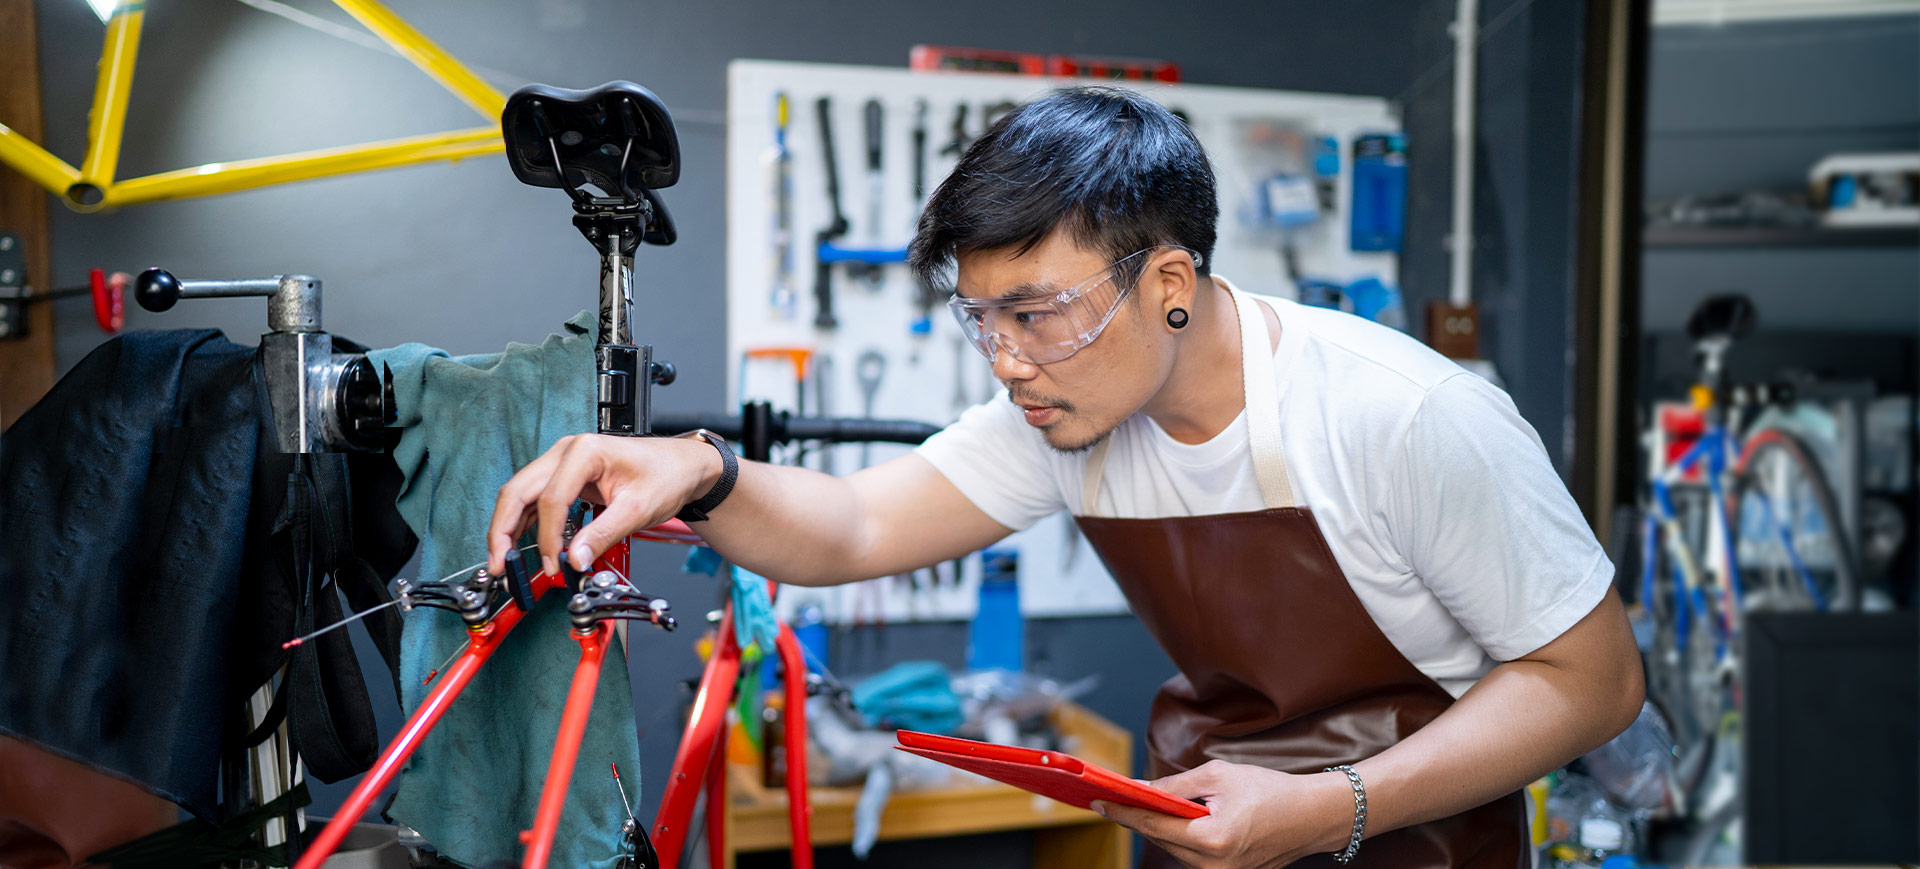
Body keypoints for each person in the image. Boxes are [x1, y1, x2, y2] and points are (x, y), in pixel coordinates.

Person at [487, 86, 1643, 868]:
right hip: (1219, 832)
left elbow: (1594, 681)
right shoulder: (1057, 413)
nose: (1008, 360)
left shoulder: (1405, 416)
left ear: (1170, 282)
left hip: (1419, 844)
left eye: (1038, 315)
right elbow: (849, 527)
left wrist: (1328, 807)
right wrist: (699, 469)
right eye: (981, 319)